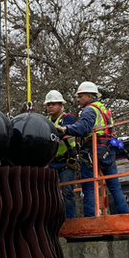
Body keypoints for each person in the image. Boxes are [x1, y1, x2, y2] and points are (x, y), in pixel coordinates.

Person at [54, 82, 129, 218]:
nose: (78, 99)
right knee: (114, 186)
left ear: (89, 96)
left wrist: (66, 129)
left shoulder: (90, 110)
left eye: (81, 96)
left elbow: (83, 128)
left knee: (89, 187)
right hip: (108, 150)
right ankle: (126, 215)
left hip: (93, 151)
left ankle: (90, 218)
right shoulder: (104, 109)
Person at [44, 90, 77, 219]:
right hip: (51, 162)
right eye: (48, 104)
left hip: (66, 162)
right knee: (49, 193)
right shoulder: (45, 121)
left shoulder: (67, 118)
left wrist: (50, 136)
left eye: (53, 104)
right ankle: (52, 218)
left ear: (61, 105)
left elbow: (64, 133)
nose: (50, 107)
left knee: (67, 192)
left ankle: (70, 219)